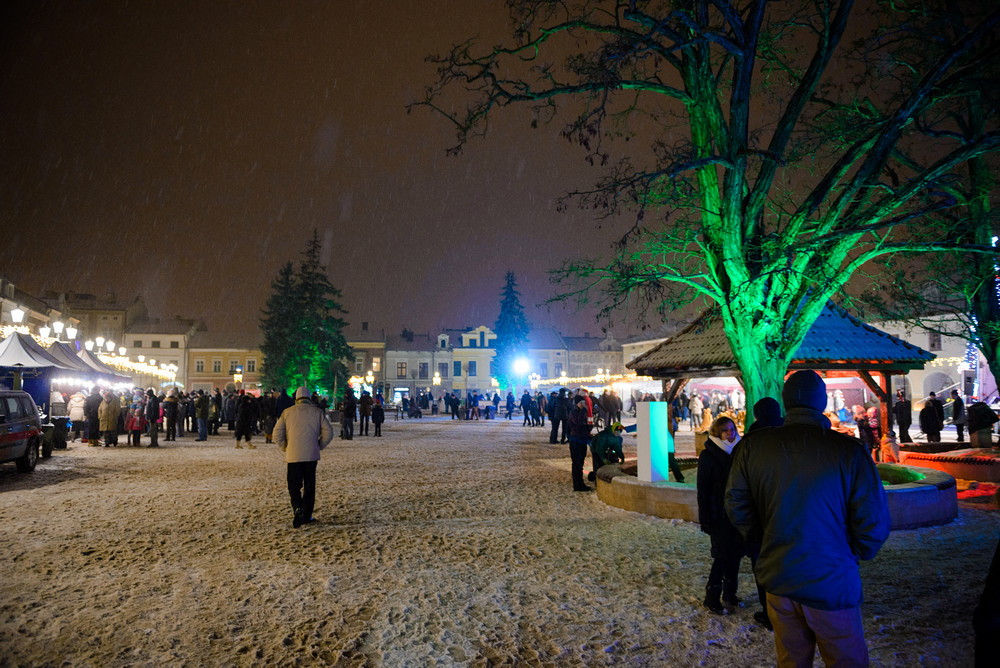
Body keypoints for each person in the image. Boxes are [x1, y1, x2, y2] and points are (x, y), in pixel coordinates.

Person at [726, 370, 891, 667]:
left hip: (778, 574)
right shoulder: (848, 451)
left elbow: (737, 503)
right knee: (845, 658)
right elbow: (872, 517)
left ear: (786, 402)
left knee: (790, 659)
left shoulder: (753, 446)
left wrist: (761, 541)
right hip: (832, 578)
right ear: (821, 401)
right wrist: (856, 550)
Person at [698, 416, 744, 615]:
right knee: (721, 556)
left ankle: (730, 593)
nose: (730, 433)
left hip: (738, 513)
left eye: (732, 429)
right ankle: (711, 595)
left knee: (735, 555)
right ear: (717, 432)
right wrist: (705, 517)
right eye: (725, 430)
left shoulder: (741, 451)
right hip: (718, 515)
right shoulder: (709, 455)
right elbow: (703, 490)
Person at [274, 386, 334, 528]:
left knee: (293, 485)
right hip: (311, 455)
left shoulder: (287, 412)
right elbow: (329, 433)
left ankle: (297, 507)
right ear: (309, 398)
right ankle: (307, 515)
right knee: (309, 485)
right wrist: (319, 445)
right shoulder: (317, 412)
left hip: (293, 454)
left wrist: (285, 447)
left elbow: (277, 434)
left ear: (296, 398)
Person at [567, 396, 593, 491]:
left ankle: (580, 483)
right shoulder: (574, 412)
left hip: (581, 439)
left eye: (584, 403)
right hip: (576, 441)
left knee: (580, 463)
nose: (583, 405)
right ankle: (578, 485)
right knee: (577, 463)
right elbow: (578, 424)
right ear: (577, 403)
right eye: (581, 403)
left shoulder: (580, 412)